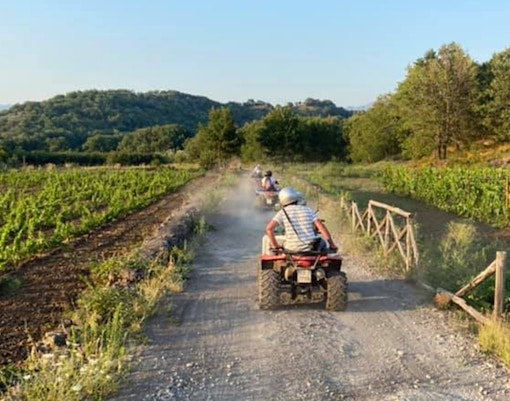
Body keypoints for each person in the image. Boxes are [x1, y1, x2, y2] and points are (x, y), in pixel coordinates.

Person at [265, 186, 338, 253]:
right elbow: (322, 227)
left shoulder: (282, 212)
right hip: (311, 248)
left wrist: (275, 245)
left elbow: (269, 229)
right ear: (296, 198)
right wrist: (332, 245)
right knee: (322, 243)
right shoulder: (307, 210)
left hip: (291, 248)